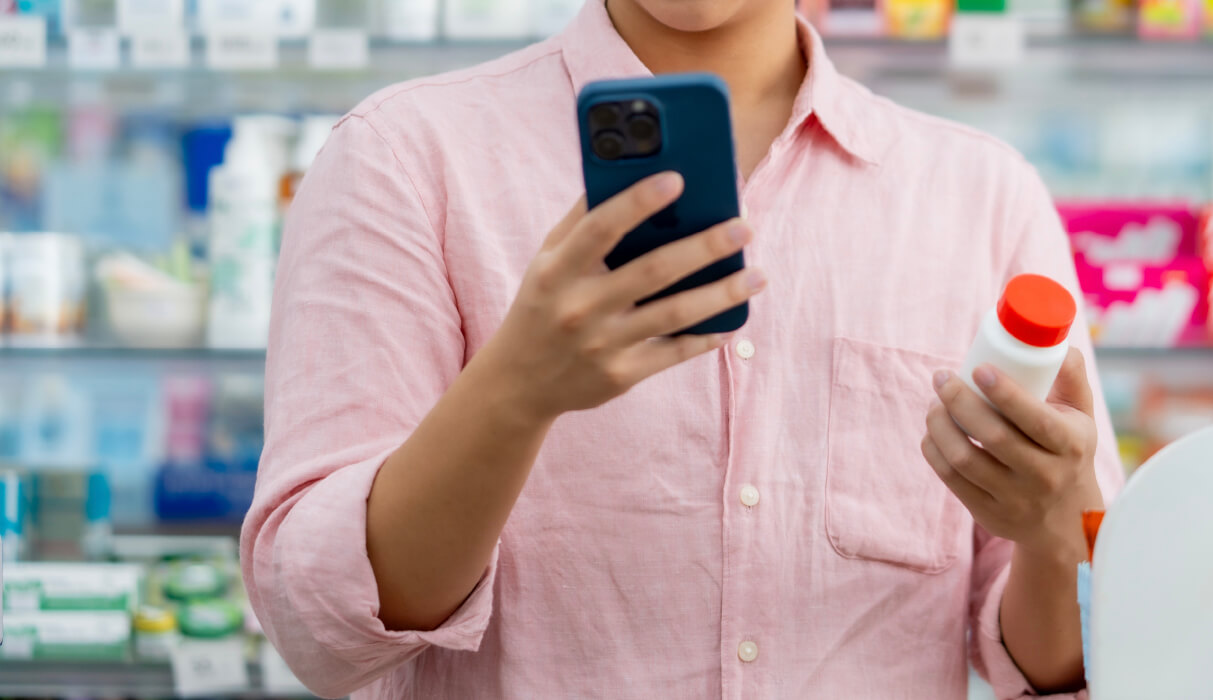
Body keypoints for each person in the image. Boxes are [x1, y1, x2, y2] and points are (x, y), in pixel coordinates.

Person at [241, 0, 1125, 697]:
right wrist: (514, 392)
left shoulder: (979, 196)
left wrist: (1053, 535)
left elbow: (1076, 666)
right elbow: (322, 632)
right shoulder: (405, 158)